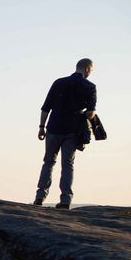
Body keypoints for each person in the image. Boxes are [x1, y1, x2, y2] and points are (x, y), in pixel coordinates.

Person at [34, 58, 97, 209]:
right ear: (87, 69)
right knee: (67, 165)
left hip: (54, 128)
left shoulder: (59, 82)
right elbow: (90, 113)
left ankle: (40, 196)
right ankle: (65, 200)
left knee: (48, 162)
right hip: (72, 130)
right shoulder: (90, 87)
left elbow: (45, 108)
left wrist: (41, 127)